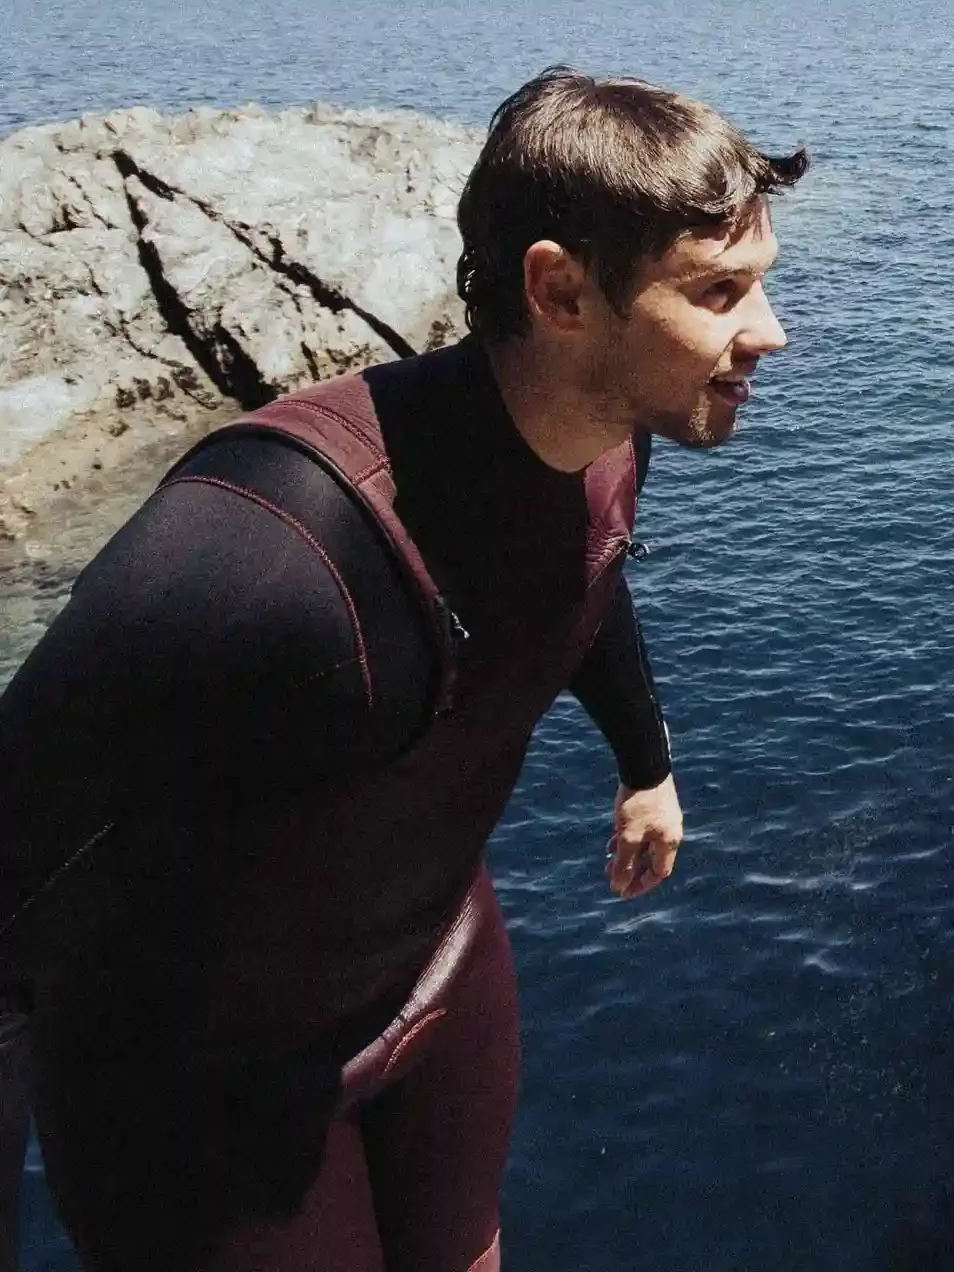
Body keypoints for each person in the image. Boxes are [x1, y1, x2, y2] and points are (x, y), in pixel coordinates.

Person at [0, 69, 802, 1271]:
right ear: (560, 289)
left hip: (431, 966)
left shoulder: (604, 432)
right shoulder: (265, 547)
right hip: (204, 1097)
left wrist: (647, 764)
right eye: (720, 291)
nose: (770, 331)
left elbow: (587, 568)